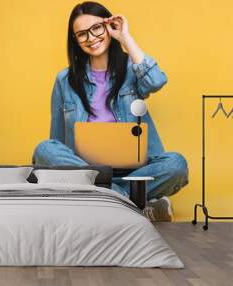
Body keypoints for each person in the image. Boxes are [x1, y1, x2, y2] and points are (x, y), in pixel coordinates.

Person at [32, 1, 189, 221]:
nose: (91, 38)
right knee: (44, 150)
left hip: (136, 170)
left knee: (177, 164)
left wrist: (125, 38)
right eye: (82, 34)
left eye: (96, 28)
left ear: (109, 26)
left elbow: (155, 81)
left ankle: (108, 196)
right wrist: (63, 169)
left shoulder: (131, 70)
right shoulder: (64, 80)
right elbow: (56, 139)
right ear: (75, 41)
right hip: (88, 170)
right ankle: (134, 202)